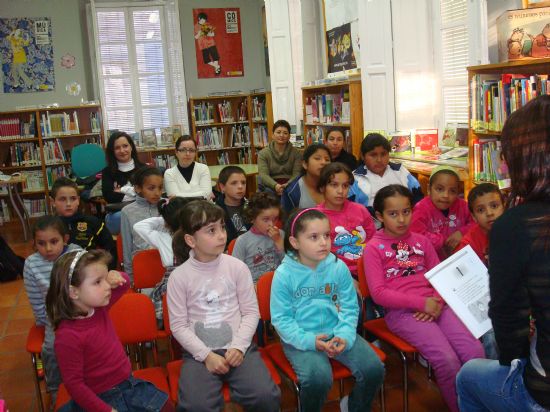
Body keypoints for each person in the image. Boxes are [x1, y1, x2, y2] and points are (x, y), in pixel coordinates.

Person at [456, 95, 550, 412]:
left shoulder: (517, 225)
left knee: (468, 378)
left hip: (545, 388)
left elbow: (509, 317)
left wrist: (514, 359)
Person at [363, 185, 484, 412]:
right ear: (379, 216)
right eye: (393, 214)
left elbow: (441, 277)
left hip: (438, 306)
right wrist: (422, 304)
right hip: (402, 313)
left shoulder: (421, 241)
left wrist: (436, 302)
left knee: (475, 352)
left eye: (406, 211)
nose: (401, 219)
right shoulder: (373, 248)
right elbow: (379, 293)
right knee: (447, 360)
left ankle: (478, 404)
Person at [166, 200, 281, 411]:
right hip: (199, 354)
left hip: (240, 347)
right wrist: (206, 355)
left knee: (265, 395)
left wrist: (238, 346)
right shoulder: (179, 277)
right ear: (191, 240)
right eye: (211, 230)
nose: (221, 235)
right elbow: (179, 326)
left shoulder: (237, 267)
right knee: (195, 405)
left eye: (221, 227)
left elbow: (250, 312)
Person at [270, 208, 385, 412]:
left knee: (373, 369)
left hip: (337, 331)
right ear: (295, 242)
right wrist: (308, 341)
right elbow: (281, 319)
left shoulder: (337, 267)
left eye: (326, 235)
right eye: (314, 237)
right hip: (301, 338)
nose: (323, 242)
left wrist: (345, 335)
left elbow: (350, 306)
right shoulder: (284, 274)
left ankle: (354, 406)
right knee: (318, 378)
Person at [46, 250, 173, 412]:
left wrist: (115, 275)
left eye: (105, 279)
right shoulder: (68, 337)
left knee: (166, 407)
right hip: (99, 398)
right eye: (98, 282)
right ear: (73, 292)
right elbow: (75, 385)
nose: (107, 286)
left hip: (128, 385)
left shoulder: (99, 308)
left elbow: (124, 283)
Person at [23, 216, 82, 404]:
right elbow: (35, 298)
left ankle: (88, 385)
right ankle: (57, 390)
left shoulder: (77, 255)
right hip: (55, 317)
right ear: (34, 243)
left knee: (87, 346)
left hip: (81, 312)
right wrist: (43, 321)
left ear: (65, 239)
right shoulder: (31, 264)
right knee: (50, 349)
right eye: (41, 243)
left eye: (53, 242)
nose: (48, 249)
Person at [133, 197, 191, 322]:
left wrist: (168, 220)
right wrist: (165, 218)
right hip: (173, 283)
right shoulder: (162, 237)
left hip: (194, 279)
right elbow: (139, 226)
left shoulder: (195, 236)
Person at [316, 162, 375, 277]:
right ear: (322, 187)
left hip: (368, 267)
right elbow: (318, 256)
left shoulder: (360, 210)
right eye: (334, 185)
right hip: (337, 273)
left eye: (345, 185)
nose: (340, 191)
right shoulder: (316, 217)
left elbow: (374, 241)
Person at [50, 177, 117, 269]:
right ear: (53, 202)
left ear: (78, 200)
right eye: (62, 199)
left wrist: (108, 271)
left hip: (89, 273)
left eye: (73, 199)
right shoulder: (48, 226)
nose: (68, 203)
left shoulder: (93, 222)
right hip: (58, 274)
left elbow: (110, 249)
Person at [349, 133, 423, 214]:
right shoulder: (355, 178)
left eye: (383, 154)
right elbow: (350, 209)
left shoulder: (400, 171)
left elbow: (418, 197)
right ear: (363, 156)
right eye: (373, 155)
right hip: (370, 225)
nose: (379, 160)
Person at [410, 166, 474, 259]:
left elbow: (476, 222)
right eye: (439, 189)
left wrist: (462, 232)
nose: (446, 195)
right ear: (429, 189)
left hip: (460, 258)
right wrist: (443, 240)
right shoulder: (421, 209)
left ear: (458, 192)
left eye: (452, 191)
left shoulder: (462, 206)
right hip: (430, 260)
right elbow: (416, 235)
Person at [120, 166, 163, 281]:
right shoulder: (127, 212)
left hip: (166, 266)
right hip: (143, 267)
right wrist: (130, 278)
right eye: (151, 188)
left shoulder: (165, 207)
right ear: (138, 188)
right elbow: (127, 247)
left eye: (160, 188)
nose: (157, 193)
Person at [232, 192, 284, 284]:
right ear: (252, 218)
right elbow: (235, 273)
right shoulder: (243, 241)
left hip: (279, 284)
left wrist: (279, 243)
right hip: (253, 288)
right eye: (265, 219)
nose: (271, 224)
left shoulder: (280, 235)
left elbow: (290, 265)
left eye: (275, 219)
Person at [101, 131, 145, 235]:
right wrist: (136, 192)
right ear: (112, 151)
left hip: (142, 211)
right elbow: (108, 197)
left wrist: (120, 191)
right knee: (123, 217)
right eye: (117, 148)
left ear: (131, 147)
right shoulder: (107, 172)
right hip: (118, 214)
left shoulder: (144, 169)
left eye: (125, 146)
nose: (122, 150)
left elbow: (148, 194)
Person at [455, 183, 505, 265]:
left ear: (504, 207)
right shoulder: (467, 244)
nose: (489, 213)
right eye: (481, 210)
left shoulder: (515, 231)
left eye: (494, 206)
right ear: (473, 216)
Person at [281, 143, 331, 213]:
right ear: (305, 164)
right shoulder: (292, 191)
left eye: (327, 159)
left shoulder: (336, 184)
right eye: (317, 158)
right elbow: (287, 220)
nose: (323, 162)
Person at [257, 119, 302, 195]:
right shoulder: (263, 153)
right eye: (278, 132)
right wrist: (275, 186)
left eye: (285, 133)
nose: (281, 135)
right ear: (272, 135)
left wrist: (287, 185)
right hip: (270, 185)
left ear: (289, 136)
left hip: (290, 185)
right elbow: (263, 175)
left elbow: (297, 174)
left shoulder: (296, 153)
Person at [164, 135, 212, 199]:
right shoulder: (169, 173)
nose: (187, 154)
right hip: (181, 209)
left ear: (195, 152)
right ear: (176, 152)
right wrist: (201, 194)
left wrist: (179, 196)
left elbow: (207, 194)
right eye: (183, 150)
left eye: (191, 150)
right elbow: (174, 200)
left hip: (204, 208)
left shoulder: (203, 168)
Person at [214, 165, 250, 247]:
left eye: (243, 183)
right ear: (222, 187)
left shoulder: (252, 206)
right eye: (234, 183)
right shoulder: (215, 212)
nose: (240, 186)